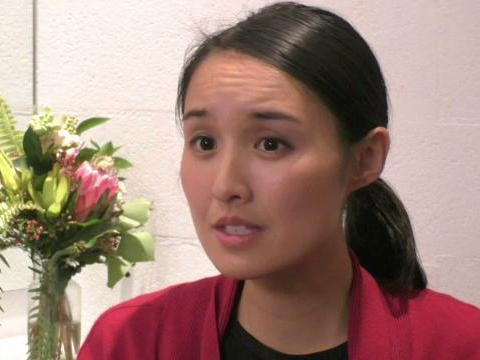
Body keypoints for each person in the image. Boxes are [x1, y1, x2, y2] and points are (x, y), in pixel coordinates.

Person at [78, 2, 480, 359]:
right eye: (204, 142)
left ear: (365, 158)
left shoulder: (459, 344)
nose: (225, 185)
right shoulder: (131, 342)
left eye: (271, 144)